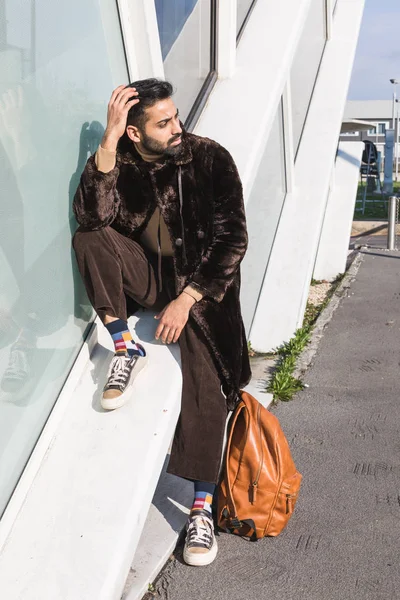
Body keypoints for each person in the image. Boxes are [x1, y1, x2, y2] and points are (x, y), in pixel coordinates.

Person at [72, 79, 251, 566]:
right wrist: (107, 144)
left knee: (203, 383)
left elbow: (233, 239)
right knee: (90, 239)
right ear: (134, 132)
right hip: (151, 279)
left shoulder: (209, 157)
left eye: (175, 117)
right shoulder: (123, 160)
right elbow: (92, 216)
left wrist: (187, 299)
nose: (177, 128)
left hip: (200, 292)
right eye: (163, 122)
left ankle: (200, 507)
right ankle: (124, 346)